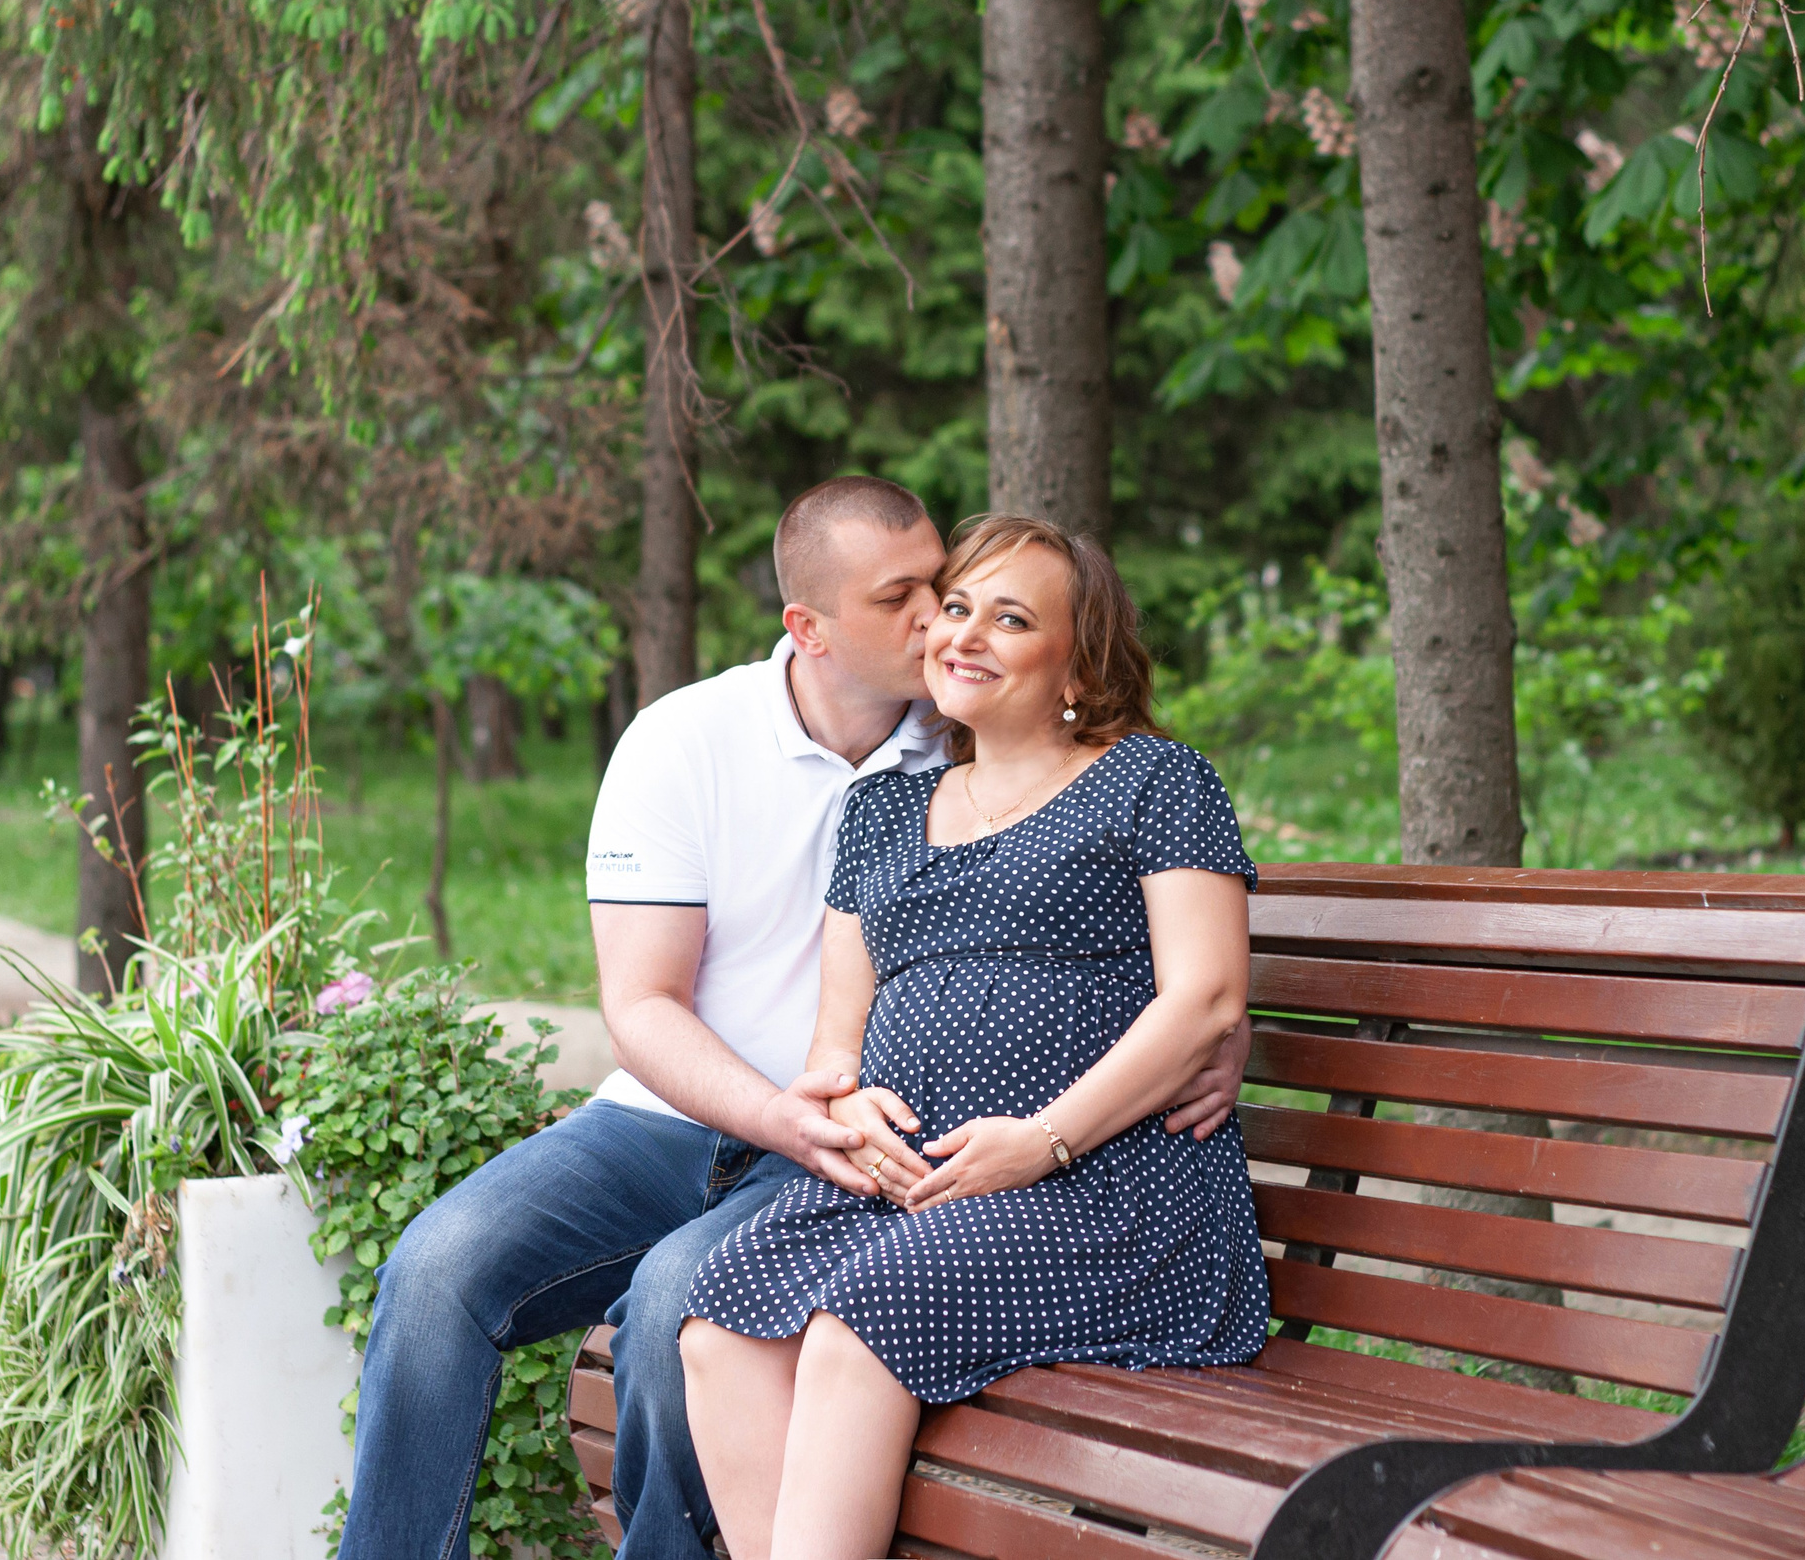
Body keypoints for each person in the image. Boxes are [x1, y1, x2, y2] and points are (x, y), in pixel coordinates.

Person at [335, 477, 1250, 1560]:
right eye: (913, 600)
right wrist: (802, 1109)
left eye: (953, 593)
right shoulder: (693, 741)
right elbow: (643, 1002)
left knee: (681, 1301)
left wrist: (1204, 1038)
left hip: (913, 1157)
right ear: (809, 629)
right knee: (441, 1268)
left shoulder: (1001, 736)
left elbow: (1182, 967)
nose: (940, 623)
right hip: (711, 1120)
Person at [678, 514, 1272, 1560]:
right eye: (956, 608)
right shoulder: (882, 810)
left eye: (1011, 618)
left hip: (1104, 1188)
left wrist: (1041, 1141)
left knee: (855, 1324)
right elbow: (836, 1038)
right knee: (720, 1321)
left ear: (1078, 663)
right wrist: (848, 1104)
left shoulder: (1155, 780)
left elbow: (1208, 998)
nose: (965, 634)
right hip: (910, 1186)